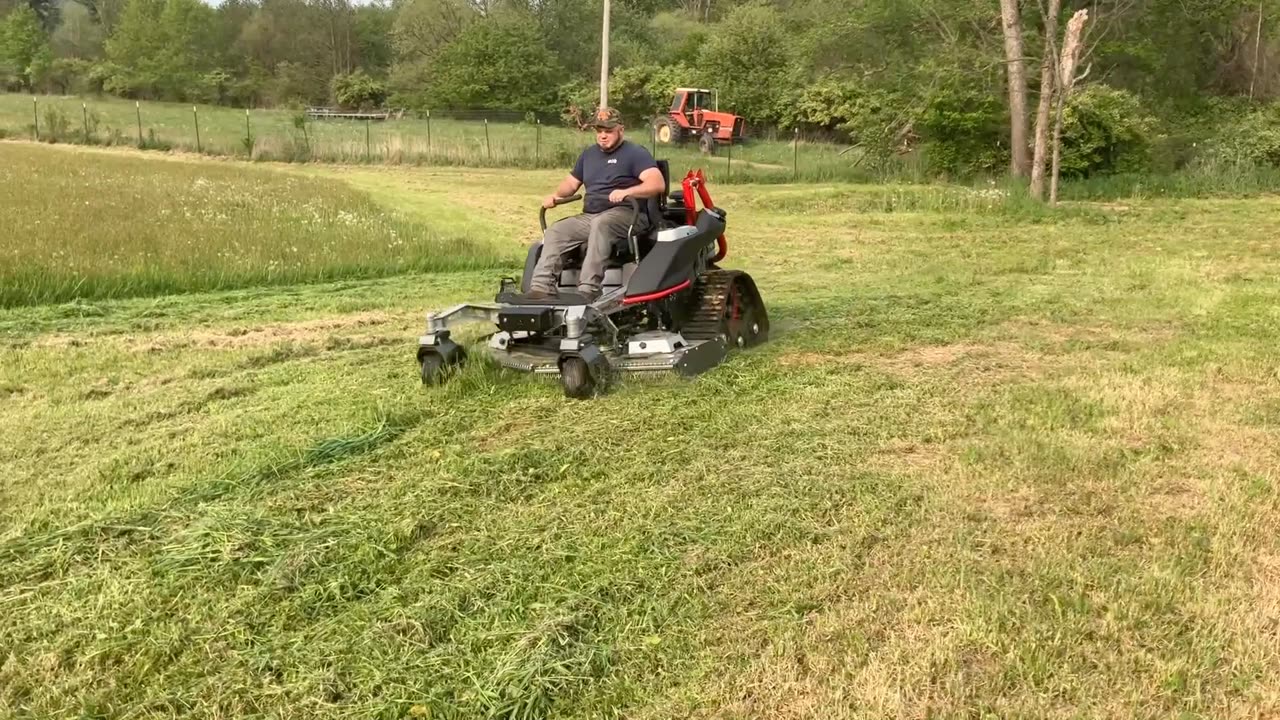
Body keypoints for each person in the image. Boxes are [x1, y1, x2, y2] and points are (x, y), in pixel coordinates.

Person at [524, 107, 666, 301]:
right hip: (591, 215)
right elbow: (572, 183)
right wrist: (555, 196)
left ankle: (588, 290)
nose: (603, 136)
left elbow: (657, 184)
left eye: (608, 131)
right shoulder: (588, 155)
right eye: (599, 131)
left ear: (620, 130)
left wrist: (626, 192)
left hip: (628, 214)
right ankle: (541, 288)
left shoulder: (635, 153)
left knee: (603, 223)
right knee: (558, 230)